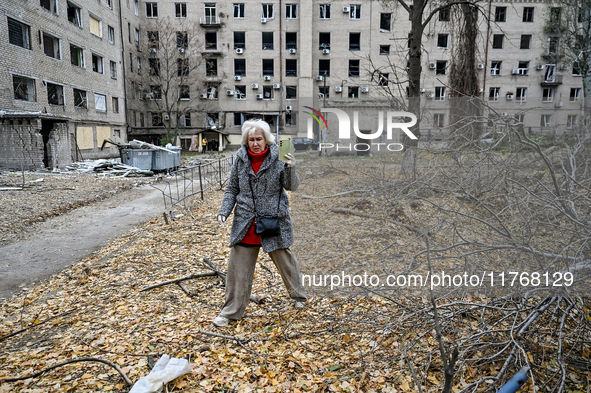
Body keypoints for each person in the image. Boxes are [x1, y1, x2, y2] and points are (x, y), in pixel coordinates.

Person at [214, 119, 307, 327]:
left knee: (286, 262)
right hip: (246, 221)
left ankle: (299, 297)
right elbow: (232, 189)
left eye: (259, 139)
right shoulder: (240, 158)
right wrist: (224, 211)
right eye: (251, 139)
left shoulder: (279, 156)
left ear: (266, 139)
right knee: (237, 269)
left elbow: (292, 186)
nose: (255, 143)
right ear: (246, 141)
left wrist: (291, 168)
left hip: (273, 220)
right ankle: (231, 311)